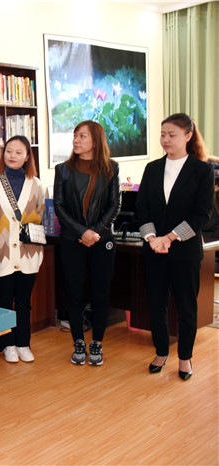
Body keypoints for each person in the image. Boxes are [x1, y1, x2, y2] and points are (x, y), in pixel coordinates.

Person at [136, 113, 213, 380]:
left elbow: (203, 215)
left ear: (188, 136)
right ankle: (160, 351)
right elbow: (142, 208)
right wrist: (152, 239)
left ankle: (185, 357)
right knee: (156, 303)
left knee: (186, 306)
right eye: (162, 134)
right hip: (154, 249)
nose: (165, 140)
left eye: (172, 135)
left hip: (185, 250)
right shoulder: (152, 168)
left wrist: (169, 238)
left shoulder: (202, 170)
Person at [54, 120, 120, 366]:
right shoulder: (63, 170)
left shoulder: (111, 168)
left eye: (82, 136)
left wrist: (95, 232)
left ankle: (97, 343)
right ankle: (78, 342)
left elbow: (115, 205)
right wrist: (82, 232)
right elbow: (59, 206)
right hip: (72, 240)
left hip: (102, 241)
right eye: (75, 135)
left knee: (101, 294)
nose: (76, 140)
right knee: (74, 294)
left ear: (96, 140)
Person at [0, 136, 45, 363]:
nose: (13, 156)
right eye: (9, 151)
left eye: (19, 152)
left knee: (24, 301)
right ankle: (7, 344)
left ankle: (23, 343)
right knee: (4, 301)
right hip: (1, 252)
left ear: (27, 156)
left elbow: (42, 217)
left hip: (29, 252)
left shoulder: (38, 185)